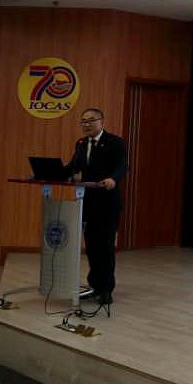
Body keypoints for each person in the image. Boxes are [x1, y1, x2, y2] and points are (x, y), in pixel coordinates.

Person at [62, 107, 127, 306]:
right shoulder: (81, 143)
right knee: (91, 247)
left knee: (105, 247)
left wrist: (113, 179)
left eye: (91, 120)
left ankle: (106, 290)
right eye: (83, 121)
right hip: (87, 202)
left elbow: (122, 166)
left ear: (101, 122)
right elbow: (72, 168)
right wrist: (46, 174)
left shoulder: (115, 142)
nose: (86, 124)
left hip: (107, 203)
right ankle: (95, 286)